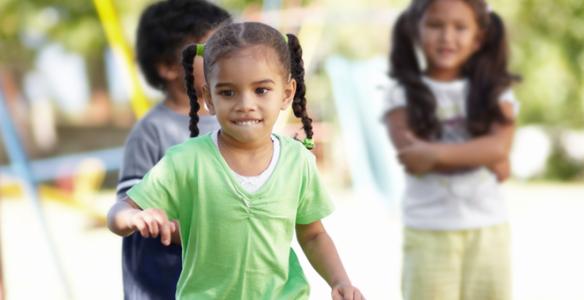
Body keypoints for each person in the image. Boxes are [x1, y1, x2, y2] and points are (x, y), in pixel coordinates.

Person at [108, 22, 364, 300]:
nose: (245, 104)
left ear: (287, 94)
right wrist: (135, 216)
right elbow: (118, 213)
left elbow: (313, 234)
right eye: (228, 92)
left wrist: (339, 281)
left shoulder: (298, 161)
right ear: (209, 98)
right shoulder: (186, 161)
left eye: (261, 90)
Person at [383, 0, 520, 299]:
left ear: (478, 38)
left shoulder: (496, 90)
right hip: (428, 232)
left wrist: (435, 153)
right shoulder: (400, 93)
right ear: (416, 31)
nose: (447, 37)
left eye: (460, 27)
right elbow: (414, 159)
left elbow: (499, 147)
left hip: (489, 231)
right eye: (435, 25)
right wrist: (481, 154)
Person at [114, 1, 231, 299]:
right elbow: (125, 208)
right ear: (167, 67)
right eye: (210, 49)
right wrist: (142, 218)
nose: (227, 57)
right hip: (167, 281)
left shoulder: (238, 120)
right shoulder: (152, 131)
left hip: (225, 277)